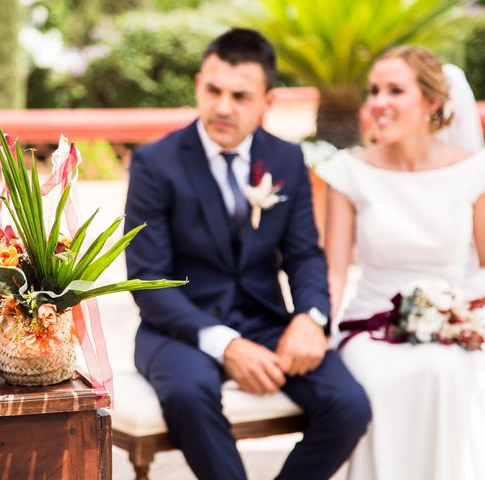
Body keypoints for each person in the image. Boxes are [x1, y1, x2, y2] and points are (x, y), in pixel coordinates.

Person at [124, 28, 371, 480]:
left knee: (349, 406)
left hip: (265, 321)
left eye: (240, 96)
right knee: (188, 393)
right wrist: (226, 344)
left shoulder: (287, 160)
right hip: (178, 328)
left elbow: (304, 256)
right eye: (213, 90)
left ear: (267, 102)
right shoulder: (155, 164)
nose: (223, 107)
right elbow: (148, 280)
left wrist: (311, 318)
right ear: (199, 84)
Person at [316, 45, 485, 480]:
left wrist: (462, 321)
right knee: (377, 382)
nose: (378, 103)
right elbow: (334, 271)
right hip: (370, 328)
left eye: (395, 90)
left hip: (458, 330)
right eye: (374, 90)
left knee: (448, 372)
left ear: (432, 102)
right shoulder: (348, 171)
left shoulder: (474, 171)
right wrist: (317, 332)